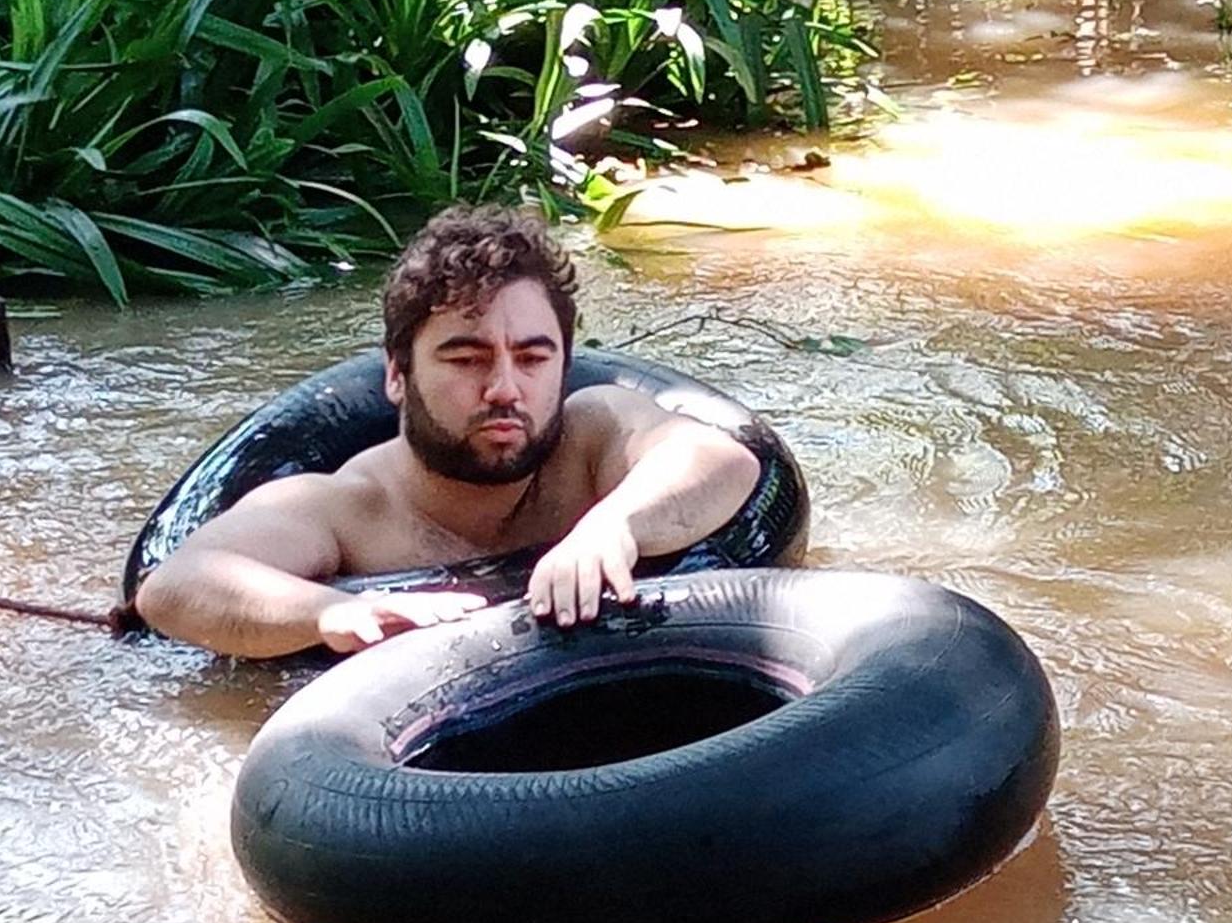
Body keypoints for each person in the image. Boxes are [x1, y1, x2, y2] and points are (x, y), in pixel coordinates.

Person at [133, 205, 761, 659]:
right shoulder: (346, 509)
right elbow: (176, 587)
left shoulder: (594, 432)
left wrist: (612, 527)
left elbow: (720, 460)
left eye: (534, 358)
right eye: (466, 359)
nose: (505, 389)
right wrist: (329, 612)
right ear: (398, 376)